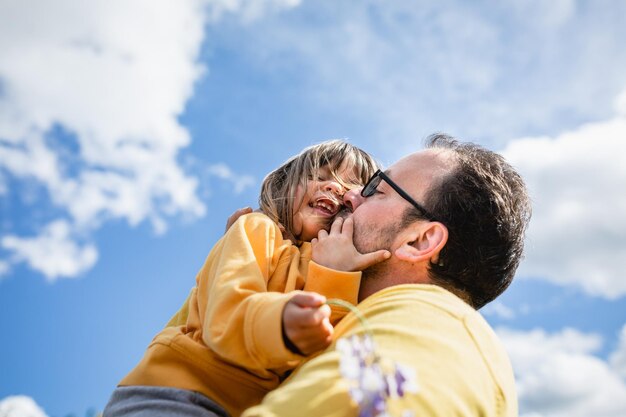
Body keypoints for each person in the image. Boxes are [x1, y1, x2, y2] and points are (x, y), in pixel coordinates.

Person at [242, 134, 532, 417]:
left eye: (376, 189)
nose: (350, 195)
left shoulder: (427, 330)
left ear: (419, 241)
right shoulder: (372, 322)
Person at [103, 140, 390, 417]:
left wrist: (335, 274)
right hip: (180, 390)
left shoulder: (338, 264)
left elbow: (317, 357)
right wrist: (281, 323)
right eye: (319, 175)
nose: (334, 186)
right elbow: (226, 314)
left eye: (351, 186)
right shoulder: (258, 228)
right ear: (285, 187)